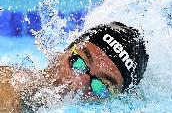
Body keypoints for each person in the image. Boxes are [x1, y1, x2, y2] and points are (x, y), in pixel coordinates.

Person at [0, 21, 149, 112]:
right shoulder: (10, 85)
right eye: (77, 61)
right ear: (64, 52)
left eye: (100, 86)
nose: (79, 82)